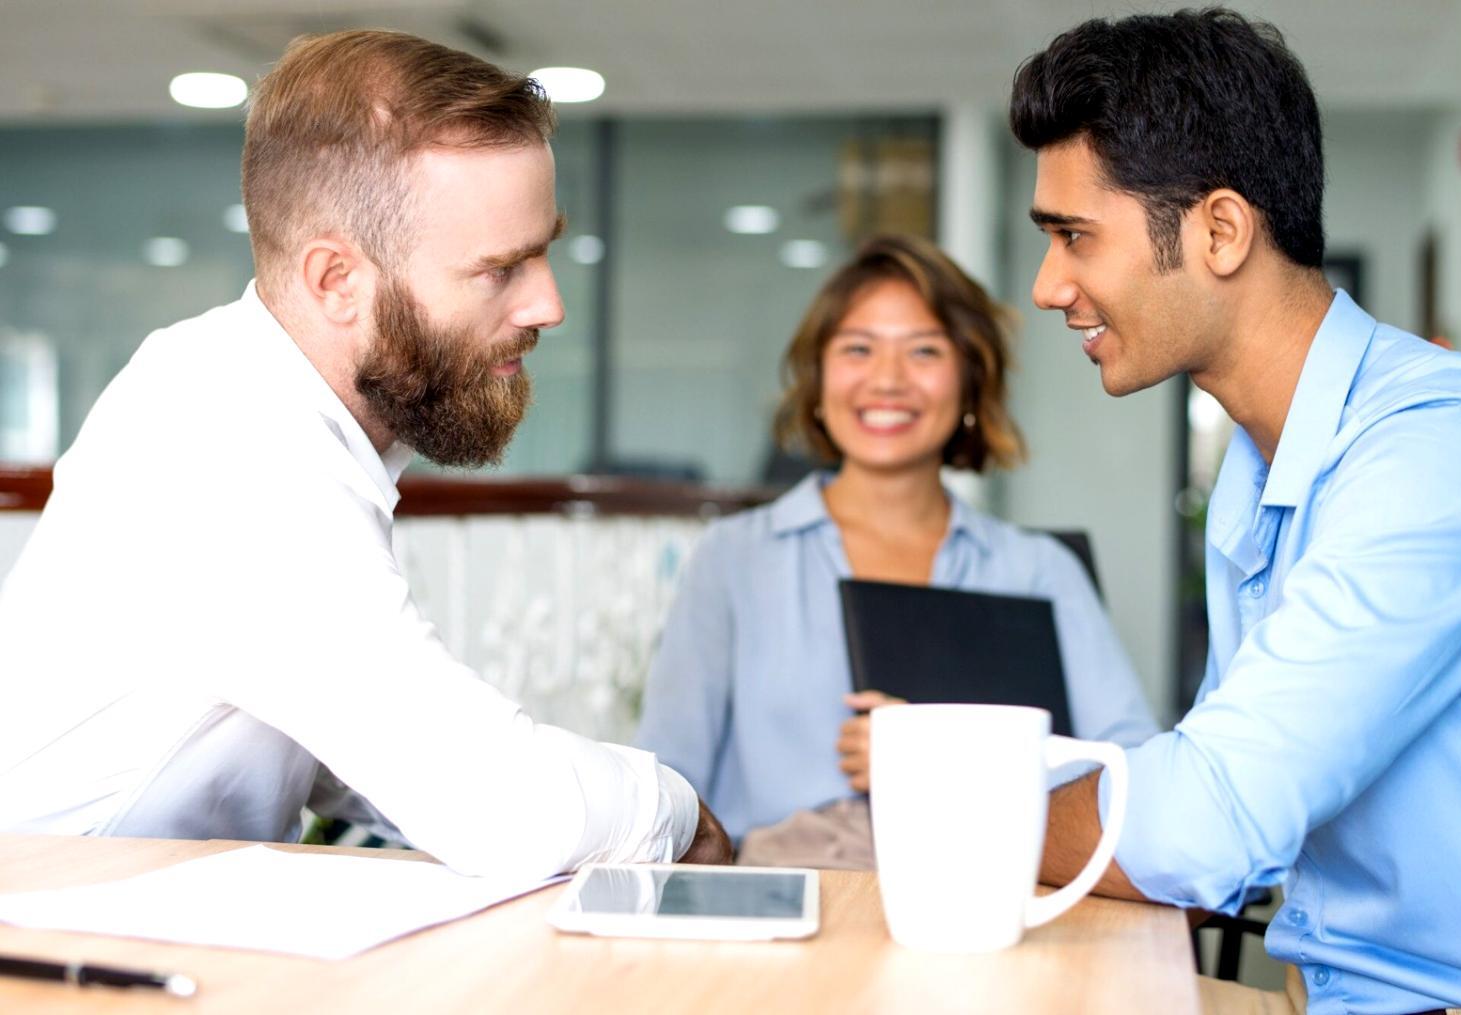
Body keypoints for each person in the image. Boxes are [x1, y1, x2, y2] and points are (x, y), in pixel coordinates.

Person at [0, 30, 729, 876]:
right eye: (501, 269)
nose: (549, 304)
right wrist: (671, 808)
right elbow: (507, 811)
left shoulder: (235, 382)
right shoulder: (235, 450)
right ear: (335, 280)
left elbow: (362, 755)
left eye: (545, 251)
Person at [1010, 10, 1461, 1014]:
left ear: (1221, 230)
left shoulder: (1433, 456)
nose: (1047, 285)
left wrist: (959, 797)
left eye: (1074, 236)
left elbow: (1207, 828)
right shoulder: (1262, 466)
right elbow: (1221, 801)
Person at [636, 235, 1156, 866]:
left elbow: (1133, 778)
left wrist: (945, 764)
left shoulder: (1039, 572)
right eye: (858, 348)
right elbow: (664, 792)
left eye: (924, 351)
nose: (887, 380)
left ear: (970, 383)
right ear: (818, 378)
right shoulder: (733, 560)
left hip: (990, 911)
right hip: (784, 923)